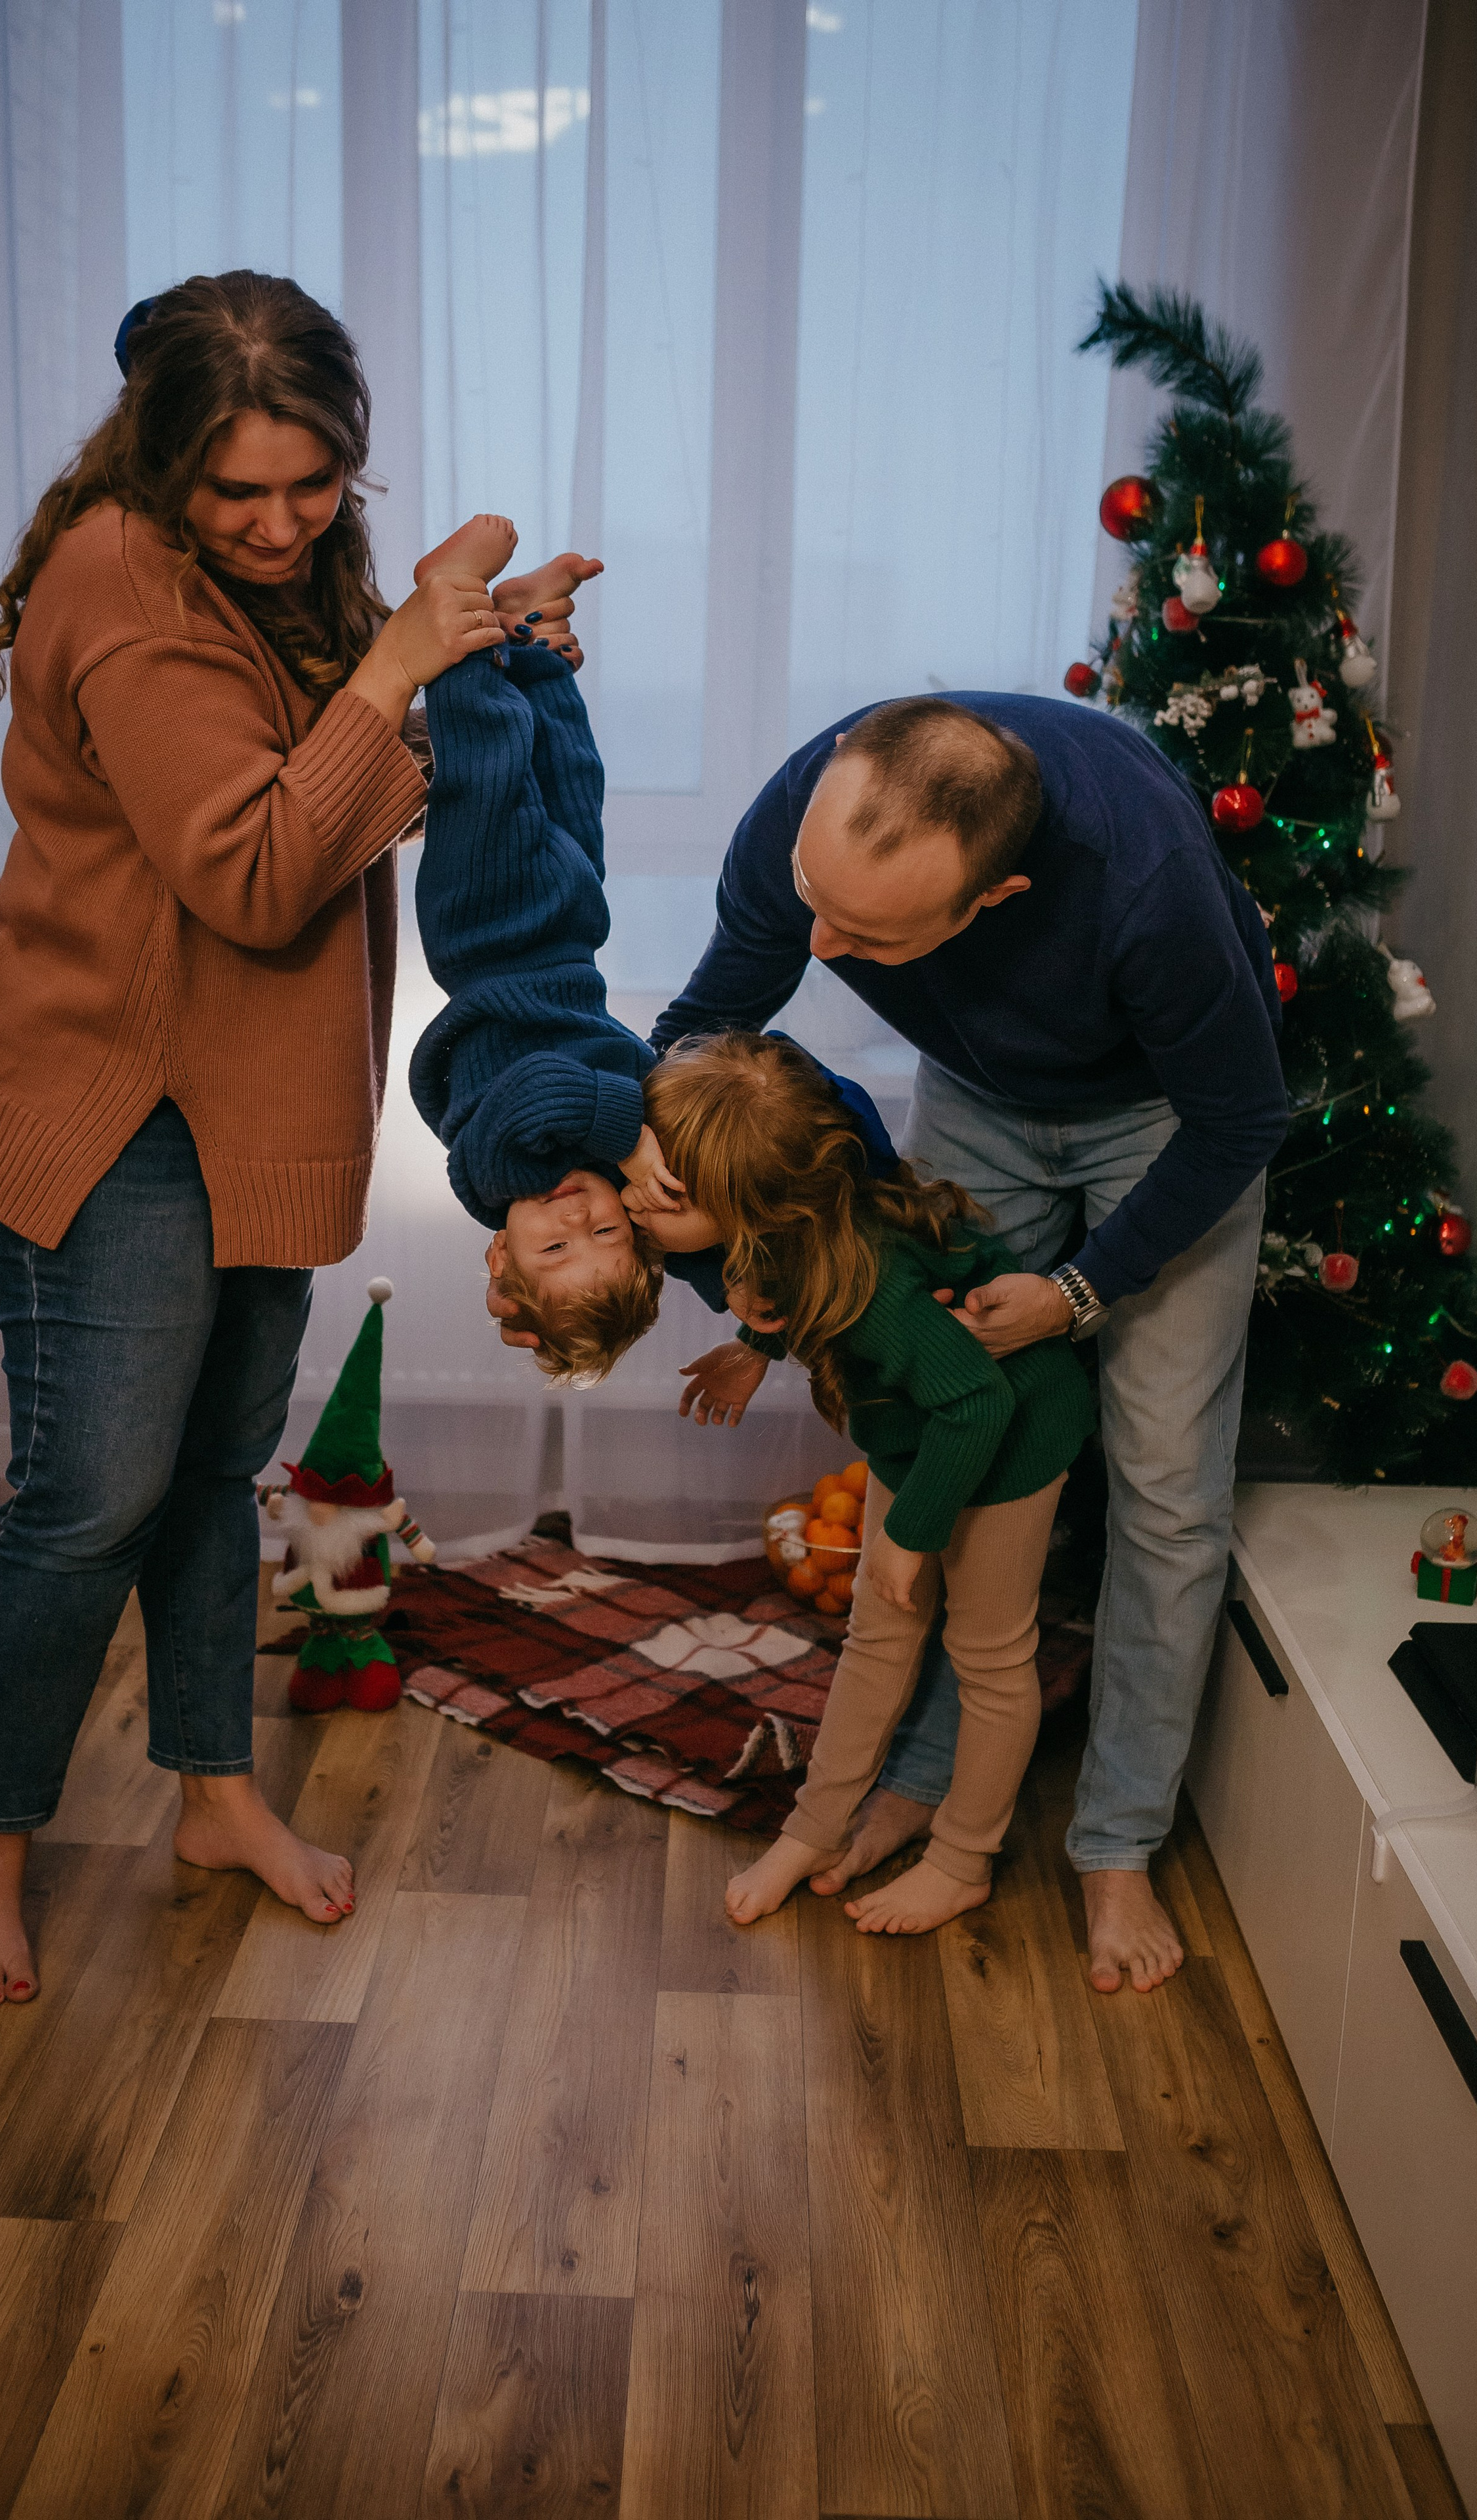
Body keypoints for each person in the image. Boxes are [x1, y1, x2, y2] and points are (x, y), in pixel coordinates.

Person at [0, 268, 546, 2004]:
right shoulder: (122, 587)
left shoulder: (268, 574)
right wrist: (405, 660)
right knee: (86, 1501)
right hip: (105, 1097)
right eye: (239, 492)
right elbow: (262, 873)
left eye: (313, 485)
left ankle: (213, 1799)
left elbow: (313, 767)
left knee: (212, 1474)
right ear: (161, 457)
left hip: (248, 1098)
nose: (281, 525)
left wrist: (461, 671)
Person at [650, 692, 1289, 1994]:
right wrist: (647, 1180)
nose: (816, 939)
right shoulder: (808, 811)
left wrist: (1079, 1293)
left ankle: (1113, 1844)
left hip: (1158, 1122)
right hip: (978, 1106)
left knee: (1161, 1487)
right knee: (934, 1481)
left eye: (865, 936)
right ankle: (924, 1783)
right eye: (810, 896)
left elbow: (1239, 1121)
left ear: (988, 902)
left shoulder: (1145, 885)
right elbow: (704, 1026)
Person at [641, 1037, 1094, 1933]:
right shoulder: (782, 1239)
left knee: (991, 1657)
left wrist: (914, 1533)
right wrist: (754, 1350)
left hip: (1008, 1435)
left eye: (665, 1188)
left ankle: (965, 1859)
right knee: (878, 1636)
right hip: (922, 1435)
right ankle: (813, 1830)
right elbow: (790, 1295)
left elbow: (976, 1402)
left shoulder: (879, 1287)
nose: (633, 1191)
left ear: (753, 1206)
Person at [407, 527, 708, 1378]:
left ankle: (455, 612)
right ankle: (528, 626)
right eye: (606, 1233)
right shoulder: (587, 1167)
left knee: (492, 768)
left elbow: (545, 1088)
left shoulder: (497, 1173)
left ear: (501, 1255)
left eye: (554, 1251)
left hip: (489, 936)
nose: (575, 1221)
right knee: (568, 772)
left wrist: (633, 1147)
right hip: (570, 942)